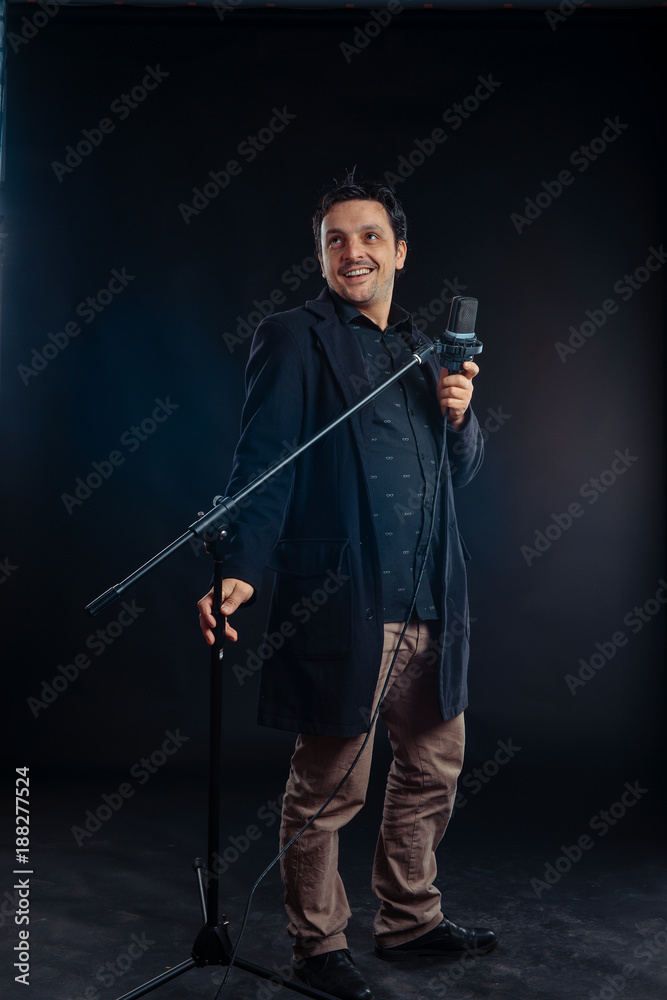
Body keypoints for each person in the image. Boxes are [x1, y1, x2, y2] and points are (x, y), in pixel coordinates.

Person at [198, 175, 497, 1000]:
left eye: (368, 237)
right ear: (323, 257)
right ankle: (318, 945)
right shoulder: (294, 337)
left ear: (399, 251)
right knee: (330, 786)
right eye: (334, 240)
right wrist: (241, 569)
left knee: (431, 769)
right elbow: (263, 465)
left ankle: (410, 921)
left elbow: (461, 471)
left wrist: (461, 416)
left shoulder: (426, 350)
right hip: (343, 598)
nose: (351, 251)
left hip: (432, 600)